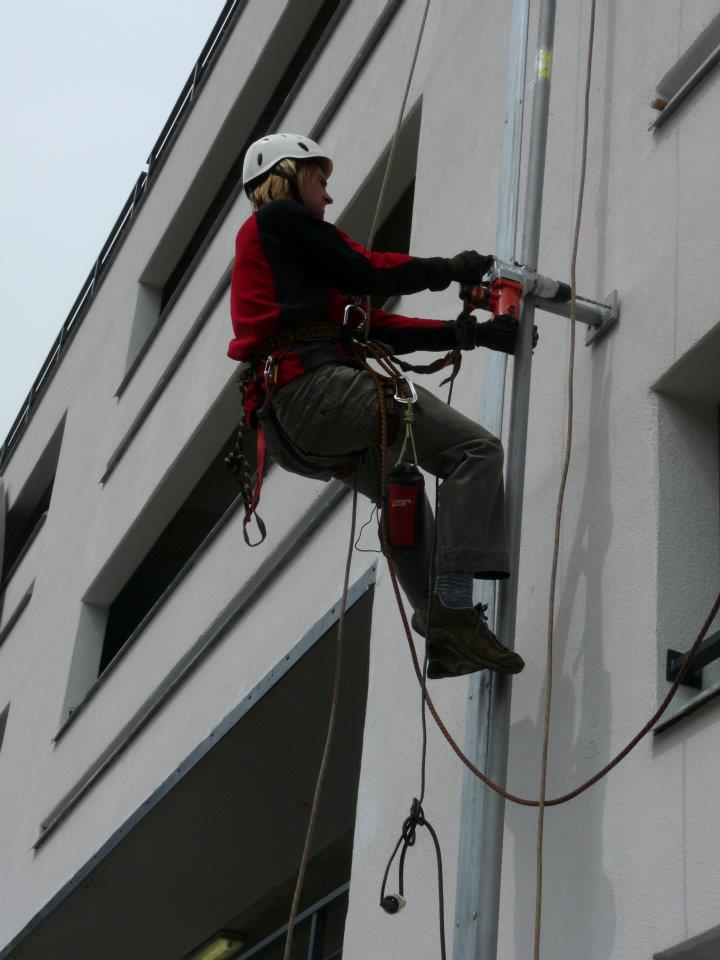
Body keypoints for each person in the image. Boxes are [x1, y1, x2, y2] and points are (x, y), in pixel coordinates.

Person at [228, 133, 531, 679]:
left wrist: (469, 334)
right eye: (320, 180)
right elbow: (366, 269)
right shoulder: (279, 220)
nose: (328, 195)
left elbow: (378, 325)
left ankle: (444, 631)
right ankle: (454, 606)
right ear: (288, 175)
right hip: (317, 392)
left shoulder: (292, 272)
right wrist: (449, 268)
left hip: (293, 429)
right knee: (474, 450)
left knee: (400, 491)